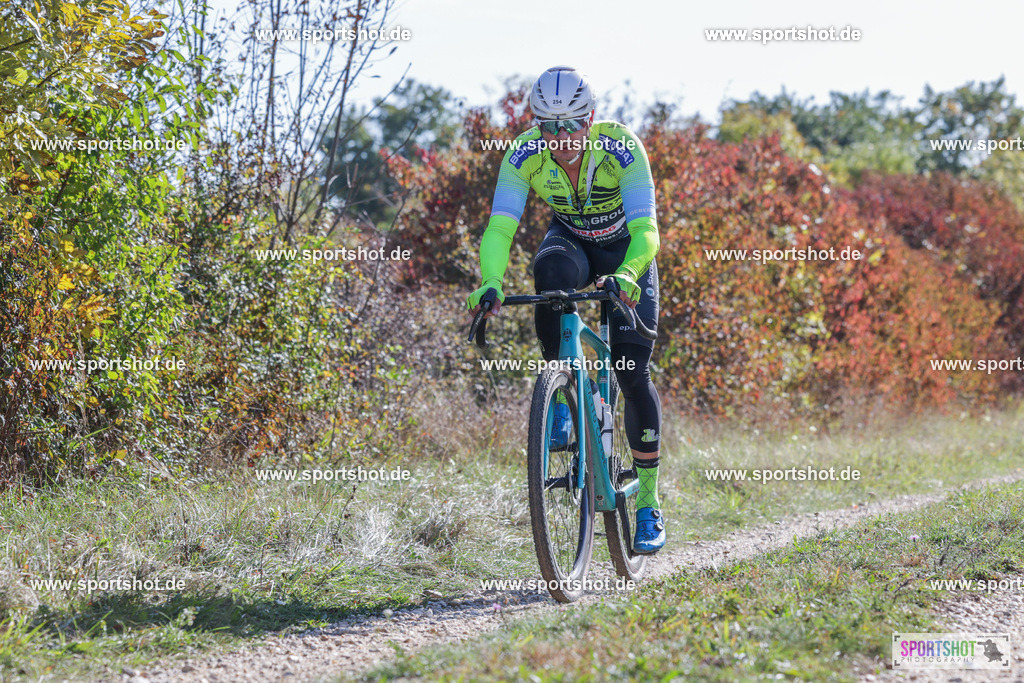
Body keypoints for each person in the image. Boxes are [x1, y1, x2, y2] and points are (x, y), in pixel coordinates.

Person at [466, 66, 665, 554]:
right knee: (550, 276)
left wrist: (628, 274)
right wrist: (490, 282)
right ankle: (561, 394)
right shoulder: (524, 154)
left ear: (590, 117)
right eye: (548, 127)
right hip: (572, 243)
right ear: (537, 125)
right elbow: (499, 230)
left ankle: (648, 506)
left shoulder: (621, 147)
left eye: (571, 124)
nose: (561, 138)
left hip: (626, 254)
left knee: (631, 372)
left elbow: (647, 232)